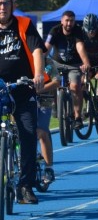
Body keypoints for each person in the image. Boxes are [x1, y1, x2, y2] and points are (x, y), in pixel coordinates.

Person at [0, 0, 45, 204]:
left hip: (22, 87)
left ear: (13, 5)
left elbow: (37, 50)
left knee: (28, 134)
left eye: (5, 2)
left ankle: (25, 185)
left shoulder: (25, 25)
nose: (1, 7)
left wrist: (37, 74)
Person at [45, 10, 91, 130]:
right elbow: (46, 48)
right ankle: (55, 104)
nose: (69, 24)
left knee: (75, 86)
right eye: (67, 20)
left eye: (71, 21)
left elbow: (80, 47)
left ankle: (77, 117)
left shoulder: (78, 30)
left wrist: (86, 63)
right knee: (49, 79)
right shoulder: (54, 31)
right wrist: (40, 60)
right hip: (57, 63)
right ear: (62, 21)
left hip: (74, 65)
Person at [36, 57, 60, 185]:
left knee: (41, 131)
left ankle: (49, 168)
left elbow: (57, 81)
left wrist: (40, 89)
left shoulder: (47, 63)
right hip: (23, 99)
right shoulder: (21, 58)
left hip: (44, 100)